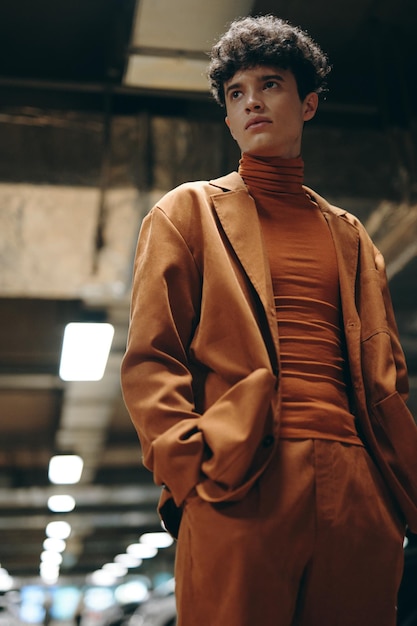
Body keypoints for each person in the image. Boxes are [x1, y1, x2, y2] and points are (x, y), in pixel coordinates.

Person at [121, 14, 417, 626]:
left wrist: (397, 492)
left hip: (360, 489)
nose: (252, 101)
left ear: (307, 104)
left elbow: (387, 376)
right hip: (242, 476)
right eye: (236, 93)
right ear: (227, 117)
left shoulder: (353, 236)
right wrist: (190, 467)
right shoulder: (188, 212)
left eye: (270, 85)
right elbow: (154, 357)